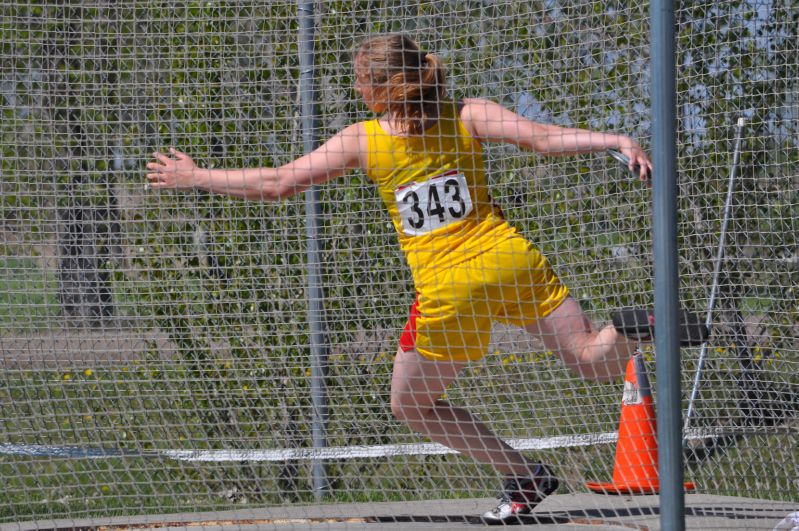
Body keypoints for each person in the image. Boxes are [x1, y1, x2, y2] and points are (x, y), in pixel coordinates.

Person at [146, 33, 655, 524]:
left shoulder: (364, 140)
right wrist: (615, 139)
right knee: (593, 358)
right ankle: (633, 328)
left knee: (410, 404)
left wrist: (197, 177)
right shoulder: (468, 113)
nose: (355, 90)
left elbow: (279, 183)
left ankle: (524, 474)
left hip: (450, 288)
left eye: (360, 82)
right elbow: (545, 139)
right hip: (511, 260)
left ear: (382, 88)